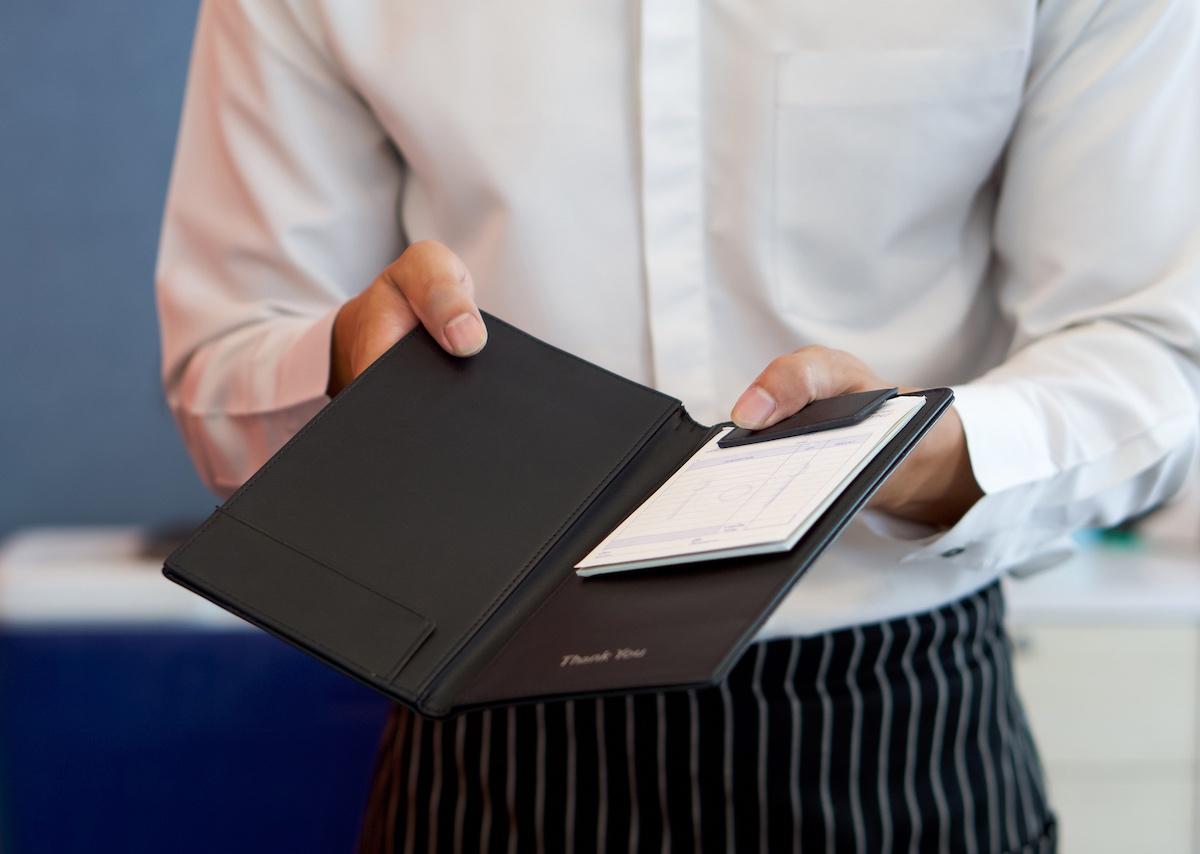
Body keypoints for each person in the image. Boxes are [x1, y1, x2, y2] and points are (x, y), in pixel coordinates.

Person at [156, 1, 1200, 851]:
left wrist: (929, 455)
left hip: (900, 717)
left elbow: (1154, 346)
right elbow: (223, 367)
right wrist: (350, 371)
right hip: (485, 732)